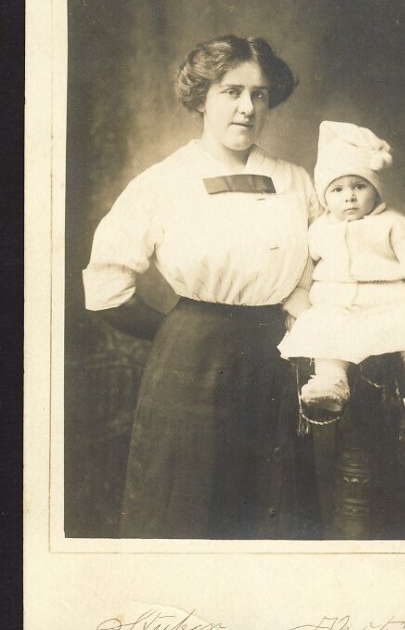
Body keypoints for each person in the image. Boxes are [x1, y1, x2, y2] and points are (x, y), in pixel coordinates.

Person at [83, 35, 321, 539]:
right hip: (187, 366)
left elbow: (328, 266)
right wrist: (178, 333)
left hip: (275, 360)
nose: (247, 107)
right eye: (231, 92)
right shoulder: (164, 181)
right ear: (201, 97)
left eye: (259, 94)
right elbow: (106, 285)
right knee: (184, 511)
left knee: (268, 514)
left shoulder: (296, 181)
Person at [278, 120, 405, 432]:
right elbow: (305, 272)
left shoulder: (394, 224)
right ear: (326, 197)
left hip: (388, 301)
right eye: (337, 190)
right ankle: (331, 382)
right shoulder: (320, 230)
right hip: (336, 303)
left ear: (375, 191)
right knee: (323, 327)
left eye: (359, 186)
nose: (349, 197)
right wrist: (297, 306)